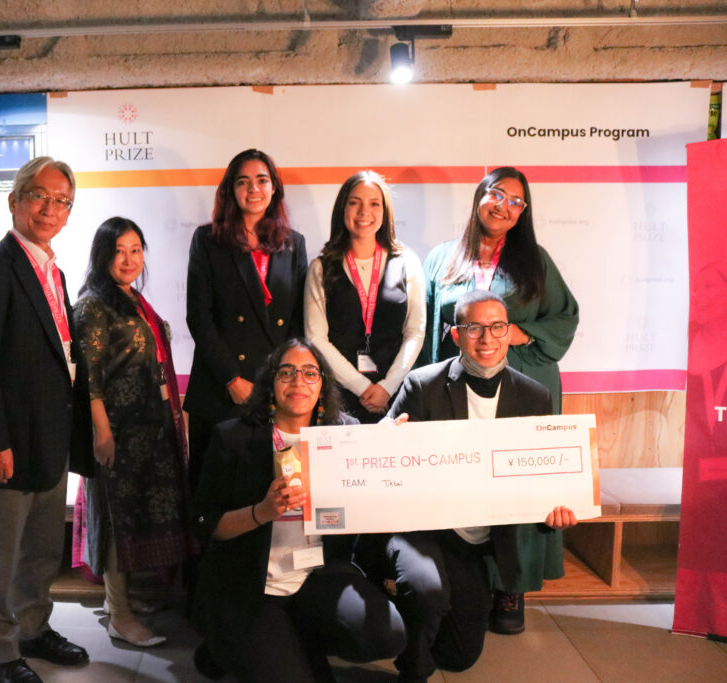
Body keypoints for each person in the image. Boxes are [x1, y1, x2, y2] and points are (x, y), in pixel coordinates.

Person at [355, 289, 578, 683]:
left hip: (474, 541)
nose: (487, 338)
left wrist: (554, 511)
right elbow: (377, 456)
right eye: (474, 327)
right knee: (428, 592)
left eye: (497, 327)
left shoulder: (533, 395)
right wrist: (384, 437)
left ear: (510, 332)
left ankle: (417, 621)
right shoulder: (423, 385)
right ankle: (413, 666)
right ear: (456, 334)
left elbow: (542, 478)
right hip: (421, 529)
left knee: (459, 655)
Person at [192, 338, 406, 683]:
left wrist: (387, 453)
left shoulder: (345, 434)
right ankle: (233, 644)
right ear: (270, 382)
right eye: (287, 372)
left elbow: (374, 491)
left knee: (387, 634)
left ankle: (285, 641)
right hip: (252, 585)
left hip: (318, 578)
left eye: (310, 373)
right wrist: (261, 511)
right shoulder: (232, 438)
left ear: (323, 384)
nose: (298, 382)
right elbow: (203, 522)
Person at [421, 166, 579, 633]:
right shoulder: (442, 259)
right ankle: (461, 576)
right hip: (458, 386)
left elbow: (565, 318)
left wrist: (522, 334)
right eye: (497, 194)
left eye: (516, 201)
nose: (504, 206)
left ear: (523, 212)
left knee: (516, 479)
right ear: (479, 197)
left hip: (520, 383)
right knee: (462, 479)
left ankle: (511, 584)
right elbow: (430, 328)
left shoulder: (536, 260)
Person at [0, 157, 95, 683]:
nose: (50, 208)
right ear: (14, 200)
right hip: (7, 445)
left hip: (48, 440)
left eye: (62, 201)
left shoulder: (54, 271)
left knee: (40, 551)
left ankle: (33, 627)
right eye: (39, 195)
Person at [72, 217, 193, 648]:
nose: (129, 259)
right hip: (118, 434)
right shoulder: (93, 305)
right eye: (119, 250)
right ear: (103, 254)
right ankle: (119, 614)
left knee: (134, 516)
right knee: (115, 519)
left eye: (136, 250)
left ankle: (119, 601)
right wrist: (101, 433)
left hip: (148, 433)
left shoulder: (132, 299)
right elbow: (89, 377)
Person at [184, 149, 309, 492]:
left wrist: (285, 380)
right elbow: (199, 317)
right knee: (216, 495)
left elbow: (298, 323)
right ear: (231, 190)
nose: (253, 189)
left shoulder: (293, 244)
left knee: (273, 491)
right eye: (243, 182)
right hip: (220, 389)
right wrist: (232, 378)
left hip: (274, 392)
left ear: (273, 189)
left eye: (261, 181)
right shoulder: (208, 240)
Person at [305, 170, 425, 423]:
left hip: (394, 394)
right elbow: (315, 337)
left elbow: (415, 332)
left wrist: (387, 387)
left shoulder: (407, 262)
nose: (364, 212)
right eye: (354, 203)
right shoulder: (321, 267)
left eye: (374, 204)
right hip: (339, 397)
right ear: (342, 209)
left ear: (385, 211)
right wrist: (362, 387)